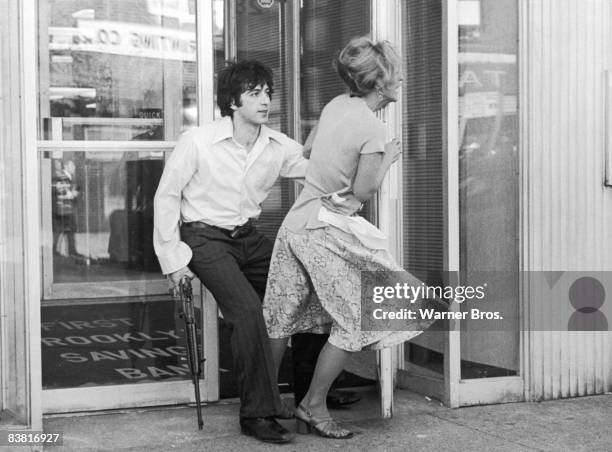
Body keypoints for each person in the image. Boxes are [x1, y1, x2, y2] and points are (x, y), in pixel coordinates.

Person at [263, 37, 447, 439]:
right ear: (380, 84)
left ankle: (259, 405)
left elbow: (310, 151)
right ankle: (312, 405)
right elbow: (363, 192)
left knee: (281, 318)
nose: (401, 80)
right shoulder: (374, 129)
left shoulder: (335, 105)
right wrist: (388, 158)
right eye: (396, 75)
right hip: (325, 230)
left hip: (296, 224)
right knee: (355, 321)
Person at [153, 60, 308, 444]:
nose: (265, 100)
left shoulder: (277, 144)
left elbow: (315, 171)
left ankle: (309, 397)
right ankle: (255, 414)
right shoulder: (198, 141)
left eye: (267, 93)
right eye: (254, 93)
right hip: (204, 238)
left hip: (248, 237)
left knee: (305, 283)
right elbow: (167, 197)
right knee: (247, 311)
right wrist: (174, 261)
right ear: (233, 102)